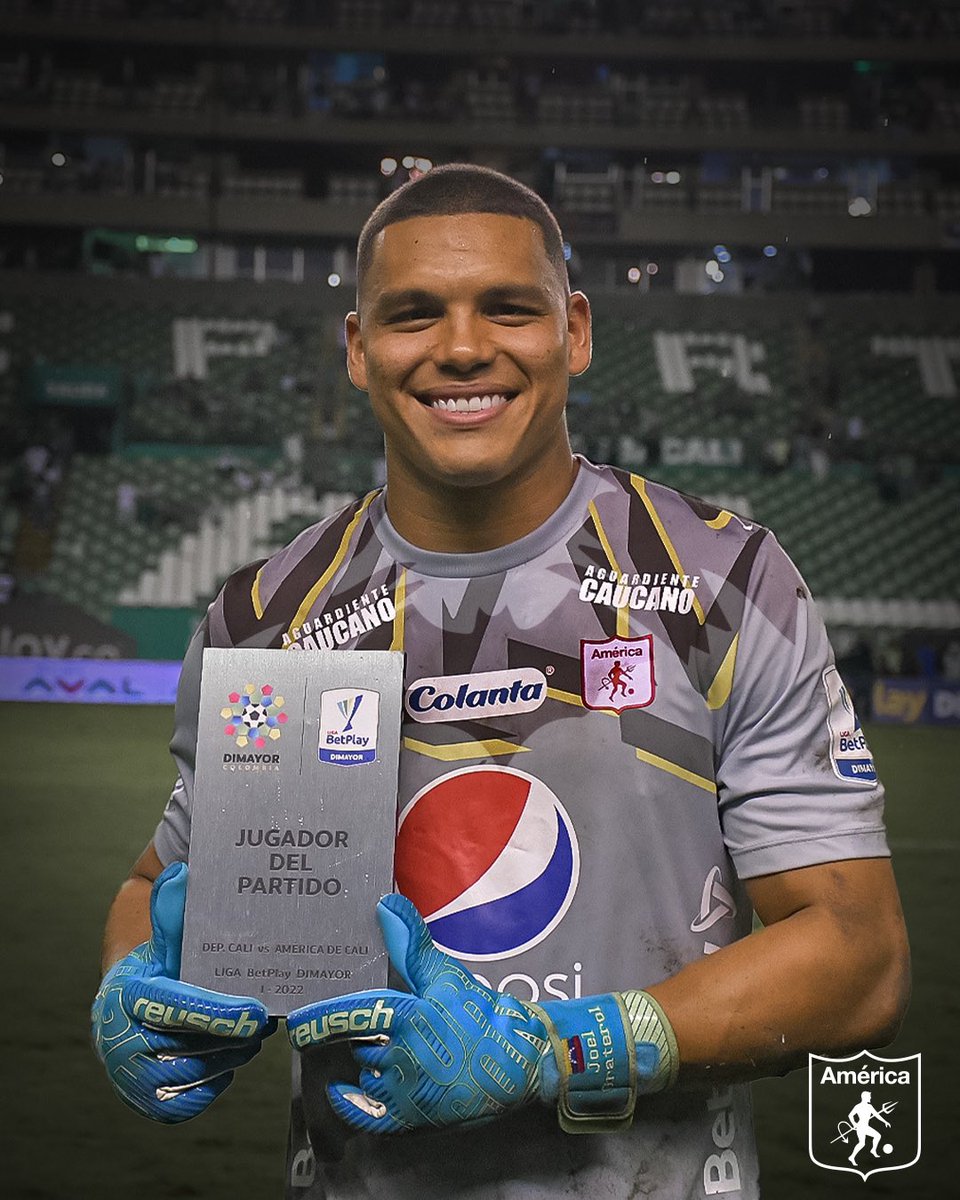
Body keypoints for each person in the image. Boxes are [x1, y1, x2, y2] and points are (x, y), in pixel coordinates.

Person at [93, 164, 910, 1199]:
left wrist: (557, 1052)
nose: (463, 347)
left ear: (575, 330)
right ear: (358, 349)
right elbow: (157, 887)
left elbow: (858, 954)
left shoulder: (722, 585)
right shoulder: (267, 620)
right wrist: (134, 988)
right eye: (414, 314)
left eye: (509, 308)